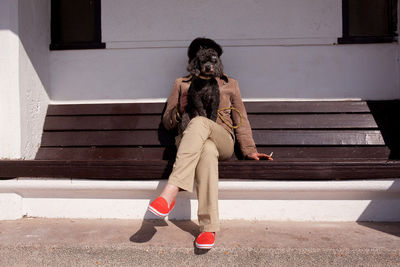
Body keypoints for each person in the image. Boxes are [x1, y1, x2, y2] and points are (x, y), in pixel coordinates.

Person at [148, 37, 272, 249]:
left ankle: (170, 192)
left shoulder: (230, 84)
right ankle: (208, 228)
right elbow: (168, 123)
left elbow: (240, 117)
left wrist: (249, 150)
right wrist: (179, 108)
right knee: (205, 148)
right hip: (191, 140)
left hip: (221, 136)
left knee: (201, 124)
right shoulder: (182, 83)